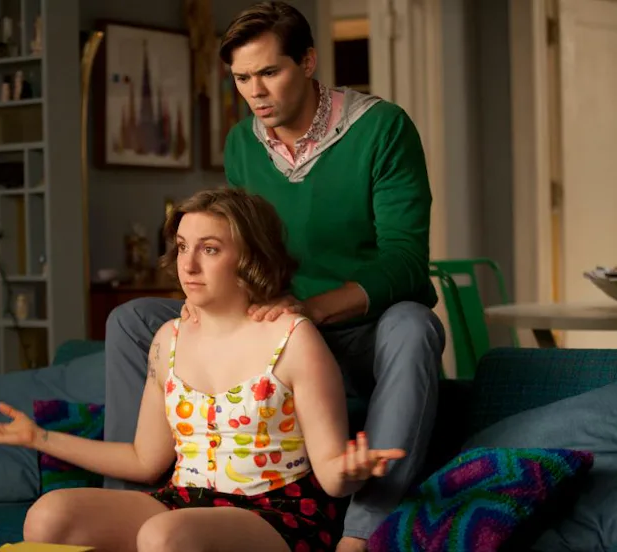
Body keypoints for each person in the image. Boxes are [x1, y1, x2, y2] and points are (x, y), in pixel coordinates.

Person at [103, 3, 446, 551]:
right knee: (132, 320)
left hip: (360, 327)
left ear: (307, 62)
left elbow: (406, 260)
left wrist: (312, 309)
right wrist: (208, 297)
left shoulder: (382, 128)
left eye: (269, 72)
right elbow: (248, 246)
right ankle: (130, 506)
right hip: (270, 324)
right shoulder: (242, 143)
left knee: (415, 326)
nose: (255, 91)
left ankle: (362, 532)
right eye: (242, 78)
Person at [0, 188, 407, 552]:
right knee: (48, 515)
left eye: (209, 249)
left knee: (163, 537)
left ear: (250, 258)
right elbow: (144, 460)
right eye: (181, 247)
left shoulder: (294, 338)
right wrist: (38, 438)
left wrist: (350, 468)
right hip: (183, 503)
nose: (188, 264)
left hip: (277, 514)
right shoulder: (167, 339)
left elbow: (330, 476)